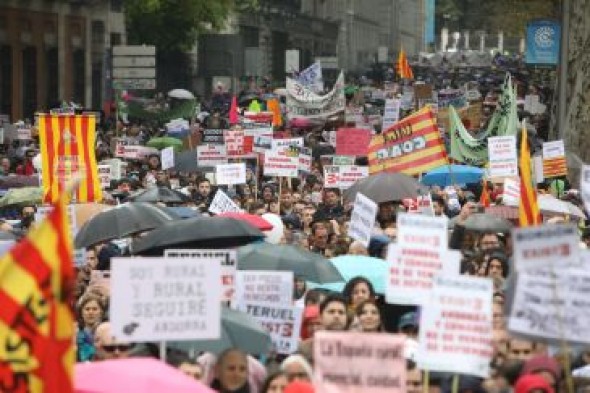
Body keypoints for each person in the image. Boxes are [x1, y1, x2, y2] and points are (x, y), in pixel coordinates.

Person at [297, 293, 348, 364]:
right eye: (331, 312)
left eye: (341, 312)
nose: (336, 316)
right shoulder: (304, 348)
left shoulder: (358, 346)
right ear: (321, 316)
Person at [76, 294, 106, 362]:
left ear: (101, 312)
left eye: (94, 309)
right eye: (87, 309)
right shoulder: (75, 334)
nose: (91, 312)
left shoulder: (107, 333)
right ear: (81, 312)